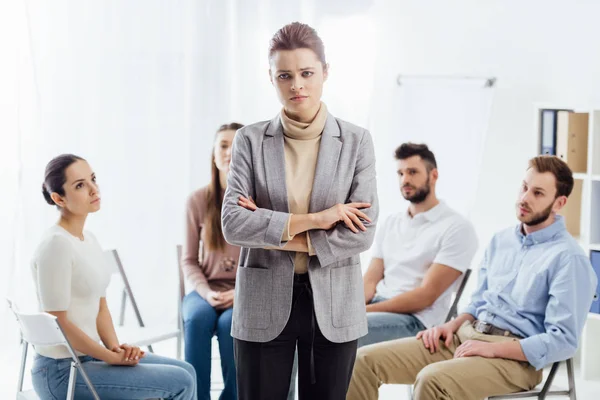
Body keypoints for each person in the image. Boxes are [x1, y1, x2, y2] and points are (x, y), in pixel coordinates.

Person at [347, 155, 598, 400]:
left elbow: (562, 340)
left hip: (514, 358)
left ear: (559, 203)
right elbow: (478, 303)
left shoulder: (569, 259)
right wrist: (451, 325)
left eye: (538, 193)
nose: (524, 198)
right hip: (464, 336)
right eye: (524, 187)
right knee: (362, 363)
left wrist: (491, 348)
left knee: (432, 381)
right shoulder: (502, 241)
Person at [221, 22, 379, 400]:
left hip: (334, 305)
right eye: (285, 76)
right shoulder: (250, 140)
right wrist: (318, 221)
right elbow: (233, 223)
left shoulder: (356, 141)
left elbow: (362, 232)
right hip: (262, 301)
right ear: (271, 78)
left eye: (307, 73)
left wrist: (274, 229)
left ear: (325, 72)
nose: (297, 86)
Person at [31, 154, 197, 400]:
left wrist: (116, 348)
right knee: (181, 381)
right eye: (80, 185)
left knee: (186, 370)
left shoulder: (89, 240)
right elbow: (58, 323)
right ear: (58, 198)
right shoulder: (56, 245)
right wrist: (110, 357)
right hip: (62, 371)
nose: (93, 189)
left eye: (93, 179)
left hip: (88, 358)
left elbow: (101, 307)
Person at [360, 142, 478, 348]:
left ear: (433, 175)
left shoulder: (457, 228)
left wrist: (361, 313)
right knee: (310, 326)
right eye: (401, 173)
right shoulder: (391, 222)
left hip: (415, 321)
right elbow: (369, 281)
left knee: (334, 333)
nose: (405, 179)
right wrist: (350, 310)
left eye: (413, 172)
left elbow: (425, 296)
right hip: (375, 309)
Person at [182, 123, 243, 400]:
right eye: (223, 145)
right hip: (204, 290)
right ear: (214, 153)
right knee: (196, 319)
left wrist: (239, 293)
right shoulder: (197, 200)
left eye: (237, 145)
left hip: (244, 291)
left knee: (230, 325)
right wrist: (206, 293)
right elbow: (189, 261)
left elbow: (269, 264)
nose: (229, 151)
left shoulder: (260, 201)